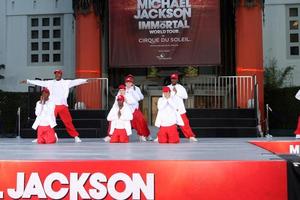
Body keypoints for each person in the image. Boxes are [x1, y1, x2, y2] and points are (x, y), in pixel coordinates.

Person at [20, 69, 88, 143]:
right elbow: (40, 82)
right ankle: (41, 137)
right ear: (55, 74)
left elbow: (75, 82)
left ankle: (75, 136)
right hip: (53, 106)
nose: (57, 75)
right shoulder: (50, 83)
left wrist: (84, 80)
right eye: (56, 73)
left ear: (61, 74)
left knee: (68, 122)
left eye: (59, 73)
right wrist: (28, 81)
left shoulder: (66, 82)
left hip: (62, 106)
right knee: (46, 120)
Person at [168, 73, 198, 142]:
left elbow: (186, 96)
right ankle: (160, 137)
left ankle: (190, 136)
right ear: (171, 79)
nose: (173, 80)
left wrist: (177, 92)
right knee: (166, 123)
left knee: (185, 123)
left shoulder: (181, 87)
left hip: (180, 109)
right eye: (172, 78)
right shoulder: (168, 87)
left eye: (175, 79)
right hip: (171, 109)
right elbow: (164, 96)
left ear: (177, 79)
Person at [124, 75, 152, 141]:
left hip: (135, 109)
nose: (128, 83)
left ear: (132, 82)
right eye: (127, 82)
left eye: (130, 82)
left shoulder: (136, 88)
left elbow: (141, 97)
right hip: (126, 110)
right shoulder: (123, 89)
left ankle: (146, 135)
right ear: (125, 83)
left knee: (142, 122)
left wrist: (134, 91)